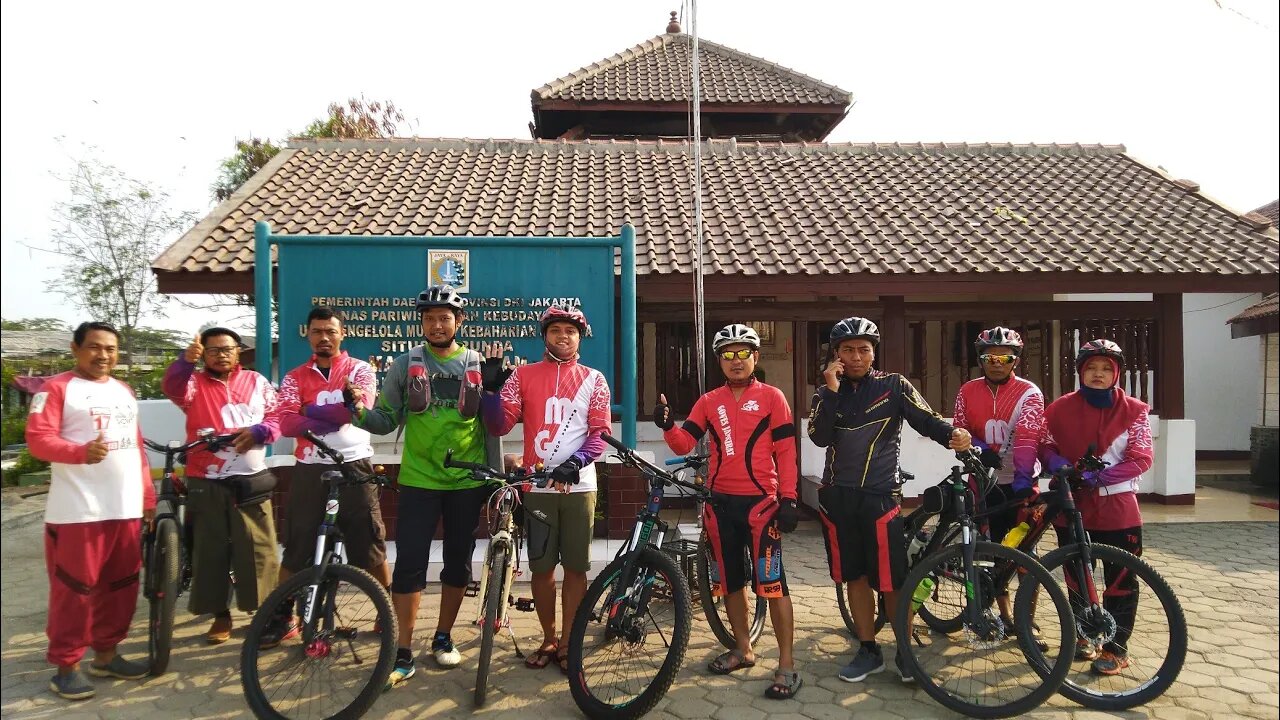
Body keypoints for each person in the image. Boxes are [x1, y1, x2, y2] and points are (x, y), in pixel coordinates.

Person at [806, 317, 972, 685]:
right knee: (856, 577)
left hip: (881, 497)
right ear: (836, 355)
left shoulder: (894, 385)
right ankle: (868, 650)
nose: (856, 356)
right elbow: (819, 438)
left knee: (893, 581)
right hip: (838, 498)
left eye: (863, 349)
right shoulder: (824, 394)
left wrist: (952, 434)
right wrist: (831, 390)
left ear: (873, 352)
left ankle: (904, 652)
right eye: (848, 350)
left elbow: (925, 419)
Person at [343, 284, 493, 688]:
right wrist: (357, 410)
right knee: (410, 564)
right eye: (430, 318)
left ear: (459, 322)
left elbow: (494, 424)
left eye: (445, 317)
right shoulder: (404, 364)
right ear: (422, 323)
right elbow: (386, 420)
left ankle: (443, 636)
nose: (437, 324)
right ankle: (403, 649)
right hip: (418, 481)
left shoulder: (478, 364)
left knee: (458, 562)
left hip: (465, 481)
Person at [654, 323, 803, 700]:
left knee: (773, 584)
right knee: (729, 582)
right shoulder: (708, 401)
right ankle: (743, 649)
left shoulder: (773, 398)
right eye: (728, 355)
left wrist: (790, 498)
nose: (736, 361)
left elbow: (786, 452)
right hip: (719, 505)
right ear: (719, 360)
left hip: (761, 506)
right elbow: (686, 441)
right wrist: (668, 424)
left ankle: (786, 665)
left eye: (743, 353)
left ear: (755, 357)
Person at [26, 322, 154, 700]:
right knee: (74, 589)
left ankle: (107, 654)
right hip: (78, 511)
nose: (103, 355)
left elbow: (136, 447)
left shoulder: (124, 390)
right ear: (75, 348)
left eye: (111, 348)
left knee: (121, 585)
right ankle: (66, 666)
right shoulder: (56, 388)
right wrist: (80, 453)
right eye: (95, 347)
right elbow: (38, 440)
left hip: (125, 508)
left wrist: (146, 498)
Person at [481, 304, 610, 674]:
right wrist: (491, 391)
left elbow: (600, 434)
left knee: (574, 569)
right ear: (545, 336)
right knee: (541, 570)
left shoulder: (594, 379)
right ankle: (549, 638)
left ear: (580, 336)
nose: (563, 336)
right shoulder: (522, 375)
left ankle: (570, 641)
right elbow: (499, 426)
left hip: (579, 487)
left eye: (570, 331)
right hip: (536, 486)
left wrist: (574, 464)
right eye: (555, 330)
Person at [268, 306, 390, 644]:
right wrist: (329, 415)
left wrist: (309, 410)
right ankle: (283, 617)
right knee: (297, 544)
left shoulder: (360, 370)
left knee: (369, 544)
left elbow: (355, 409)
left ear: (342, 334)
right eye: (317, 331)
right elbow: (286, 422)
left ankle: (387, 610)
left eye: (330, 331)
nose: (324, 337)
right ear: (308, 334)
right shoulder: (294, 377)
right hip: (310, 468)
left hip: (355, 465)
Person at [162, 327, 281, 645]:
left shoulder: (257, 382)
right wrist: (184, 362)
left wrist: (259, 432)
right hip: (206, 480)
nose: (221, 354)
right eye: (213, 350)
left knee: (259, 549)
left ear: (238, 351)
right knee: (210, 550)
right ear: (204, 355)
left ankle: (266, 614)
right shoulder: (191, 385)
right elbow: (171, 385)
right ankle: (219, 616)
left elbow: (278, 418)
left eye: (227, 348)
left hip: (252, 481)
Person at [1040, 338, 1152, 676]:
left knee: (1120, 580)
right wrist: (1059, 463)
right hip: (1072, 505)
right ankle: (1085, 636)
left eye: (1106, 369)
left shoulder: (1135, 410)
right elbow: (1044, 443)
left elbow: (1142, 457)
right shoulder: (1059, 407)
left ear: (1116, 373)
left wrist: (1099, 476)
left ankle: (1117, 648)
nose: (1098, 374)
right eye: (1091, 368)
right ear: (1080, 372)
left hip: (1117, 506)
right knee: (1076, 577)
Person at [951, 326, 1045, 629]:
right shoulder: (967, 390)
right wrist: (978, 449)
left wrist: (1021, 479)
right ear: (980, 359)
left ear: (1015, 359)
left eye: (1003, 357)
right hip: (983, 482)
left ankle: (1026, 622)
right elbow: (959, 429)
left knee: (1027, 557)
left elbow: (1029, 437)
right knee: (987, 553)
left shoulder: (1030, 393)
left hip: (1019, 483)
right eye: (989, 357)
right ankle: (1003, 615)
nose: (996, 362)